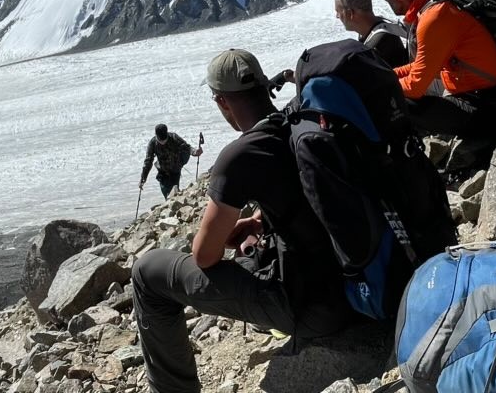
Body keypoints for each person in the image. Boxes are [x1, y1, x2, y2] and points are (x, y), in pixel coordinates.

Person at [132, 49, 356, 393]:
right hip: (354, 283)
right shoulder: (300, 122)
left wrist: (228, 231)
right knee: (252, 252)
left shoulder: (240, 156)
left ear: (222, 102)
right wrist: (259, 220)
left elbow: (204, 256)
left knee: (148, 272)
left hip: (314, 309)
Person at [373, 0, 496, 142]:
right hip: (488, 97)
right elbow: (422, 66)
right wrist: (386, 75)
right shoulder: (437, 6)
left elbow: (415, 86)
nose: (387, 0)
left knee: (397, 101)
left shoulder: (434, 18)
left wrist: (377, 87)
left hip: (487, 106)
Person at [333, 0, 409, 67]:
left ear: (350, 13)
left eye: (338, 11)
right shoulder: (385, 26)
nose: (337, 16)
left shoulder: (376, 46)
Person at [140, 124, 201, 199]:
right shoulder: (153, 143)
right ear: (156, 135)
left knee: (174, 192)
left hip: (175, 169)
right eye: (160, 140)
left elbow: (187, 147)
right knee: (166, 192)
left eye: (164, 140)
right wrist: (143, 178)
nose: (163, 142)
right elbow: (148, 161)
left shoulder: (174, 137)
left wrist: (195, 152)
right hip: (163, 171)